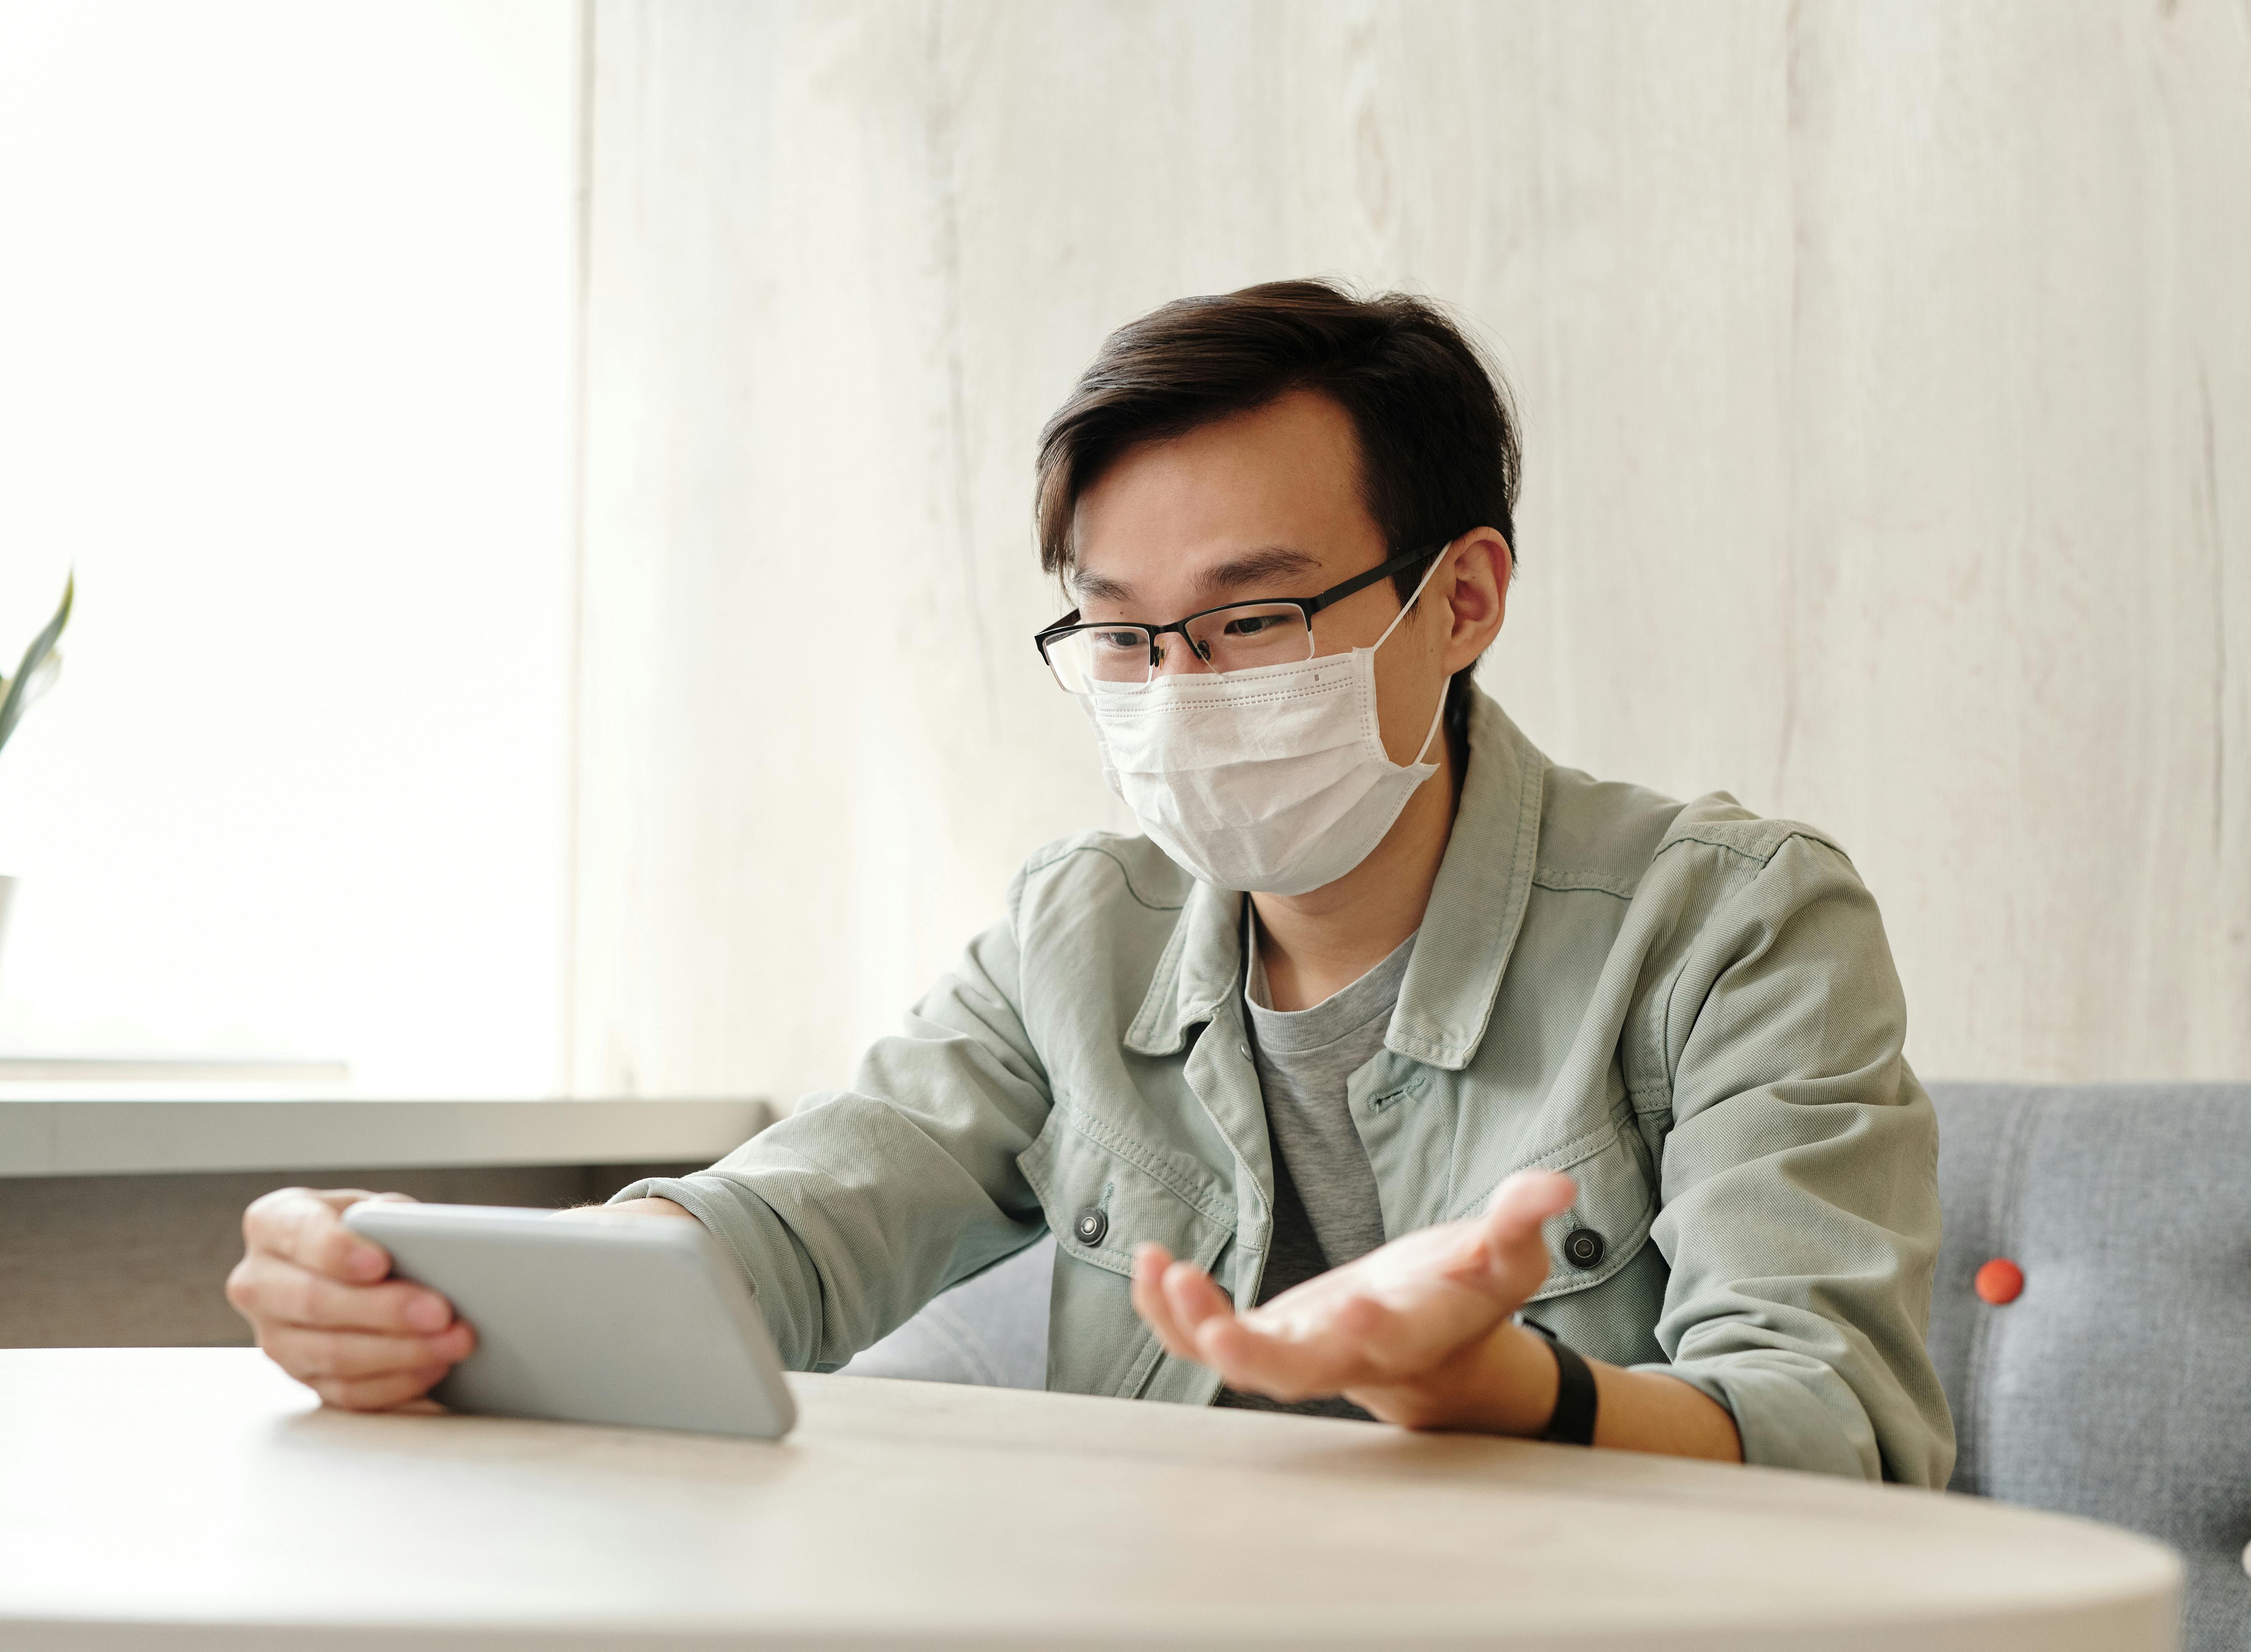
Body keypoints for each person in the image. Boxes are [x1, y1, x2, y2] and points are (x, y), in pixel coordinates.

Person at [227, 280, 1954, 1484]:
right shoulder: (1083, 927)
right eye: (1124, 637)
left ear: (1466, 597)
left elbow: (1840, 1428)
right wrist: (432, 1292)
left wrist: (1511, 1387)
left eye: (1256, 618)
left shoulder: (1732, 922)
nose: (1185, 691)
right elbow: (806, 1214)